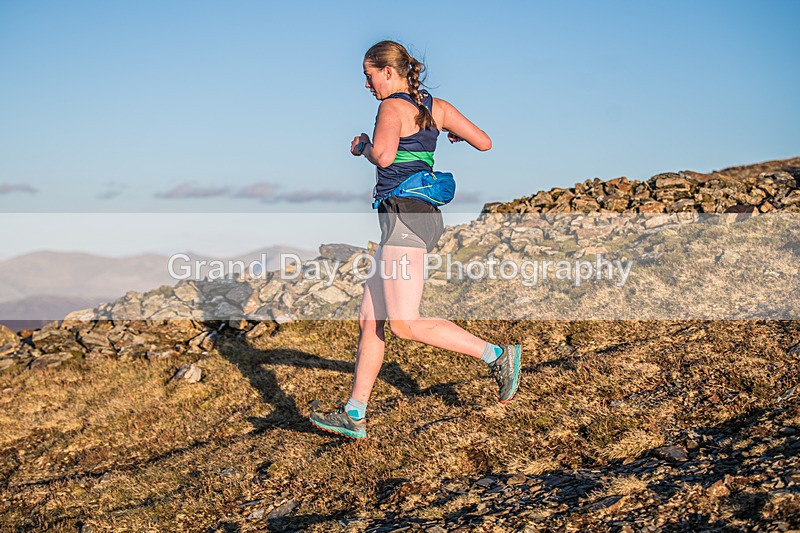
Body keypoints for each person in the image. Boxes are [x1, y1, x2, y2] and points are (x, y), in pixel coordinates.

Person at [309, 40, 521, 439]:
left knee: (405, 324)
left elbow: (385, 156)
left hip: (405, 219)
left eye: (369, 76)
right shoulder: (436, 107)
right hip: (415, 219)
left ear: (388, 72)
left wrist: (363, 146)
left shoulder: (391, 107)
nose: (367, 85)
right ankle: (354, 412)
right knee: (370, 318)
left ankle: (497, 355)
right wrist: (449, 133)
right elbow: (484, 141)